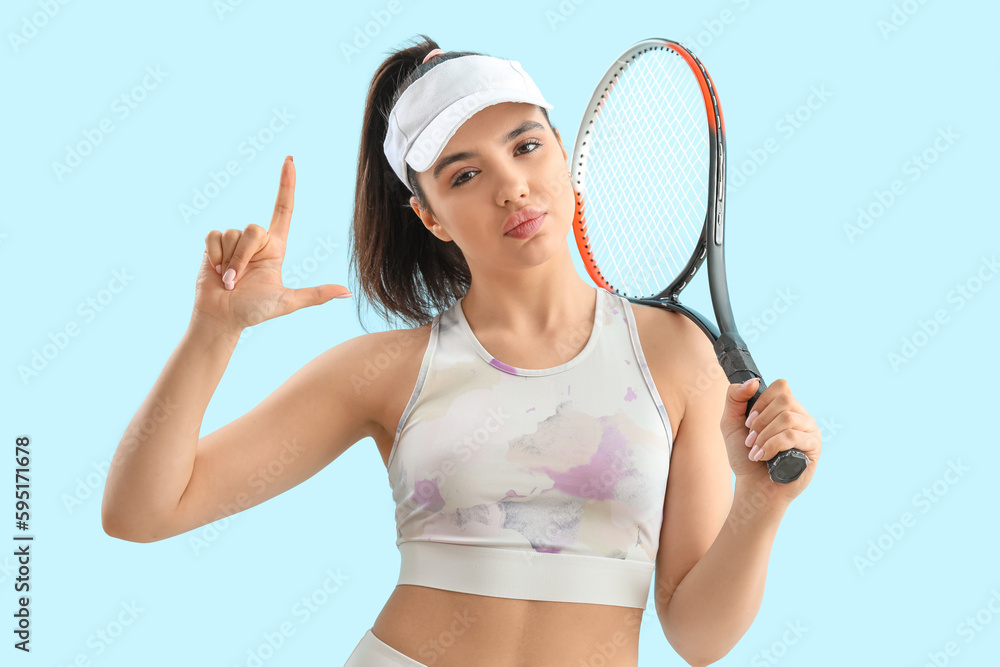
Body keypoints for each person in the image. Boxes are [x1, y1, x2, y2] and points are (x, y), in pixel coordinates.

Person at [101, 34, 822, 667]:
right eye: (465, 174)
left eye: (526, 144)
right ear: (430, 216)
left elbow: (697, 636)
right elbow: (142, 512)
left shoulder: (676, 354)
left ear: (566, 155)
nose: (511, 186)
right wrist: (212, 332)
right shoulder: (386, 372)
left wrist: (762, 501)